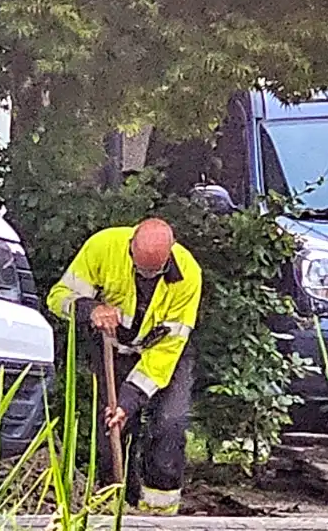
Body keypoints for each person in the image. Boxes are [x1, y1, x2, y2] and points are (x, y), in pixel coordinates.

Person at [46, 218, 202, 515]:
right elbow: (58, 298)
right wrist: (90, 309)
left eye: (152, 272)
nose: (144, 276)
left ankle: (160, 512)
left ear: (170, 254)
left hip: (165, 353)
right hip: (113, 350)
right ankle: (117, 505)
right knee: (112, 428)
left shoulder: (189, 275)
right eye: (139, 269)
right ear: (130, 246)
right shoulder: (103, 247)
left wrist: (129, 399)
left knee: (169, 422)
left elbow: (165, 353)